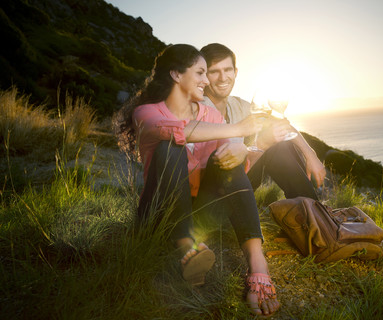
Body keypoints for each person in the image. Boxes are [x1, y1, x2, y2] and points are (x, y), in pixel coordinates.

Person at [115, 44, 280, 317]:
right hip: (161, 210)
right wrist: (240, 128)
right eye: (201, 73)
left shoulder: (210, 116)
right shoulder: (146, 112)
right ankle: (187, 248)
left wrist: (241, 149)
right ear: (177, 75)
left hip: (203, 210)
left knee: (226, 158)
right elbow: (176, 131)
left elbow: (232, 155)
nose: (207, 81)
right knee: (170, 146)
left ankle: (257, 262)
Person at [200, 43, 327, 201]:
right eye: (214, 71)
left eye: (227, 70)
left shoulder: (238, 105)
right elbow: (221, 173)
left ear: (236, 72)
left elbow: (282, 125)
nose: (223, 78)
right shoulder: (199, 110)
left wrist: (310, 154)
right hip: (213, 199)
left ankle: (310, 211)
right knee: (274, 145)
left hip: (239, 184)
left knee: (281, 142)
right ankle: (313, 213)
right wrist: (263, 143)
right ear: (203, 75)